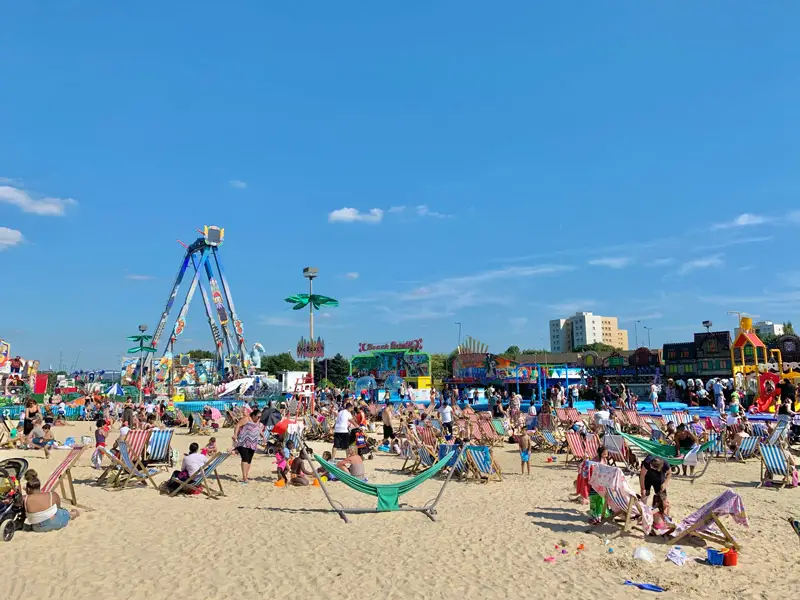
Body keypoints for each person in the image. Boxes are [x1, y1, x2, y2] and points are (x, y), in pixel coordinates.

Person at [233, 410, 261, 483]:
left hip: (253, 443)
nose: (259, 418)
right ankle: (244, 477)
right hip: (243, 442)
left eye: (260, 417)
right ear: (253, 415)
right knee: (245, 458)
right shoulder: (247, 419)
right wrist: (235, 435)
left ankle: (246, 476)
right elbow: (238, 425)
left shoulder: (257, 421)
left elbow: (259, 429)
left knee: (249, 460)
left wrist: (263, 436)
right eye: (258, 416)